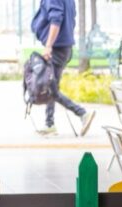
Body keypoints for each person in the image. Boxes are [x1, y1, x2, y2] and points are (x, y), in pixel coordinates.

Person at [31, 0, 95, 137]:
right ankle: (49, 124)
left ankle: (82, 113)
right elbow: (71, 17)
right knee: (52, 84)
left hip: (57, 48)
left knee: (50, 88)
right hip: (63, 46)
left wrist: (49, 45)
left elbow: (56, 19)